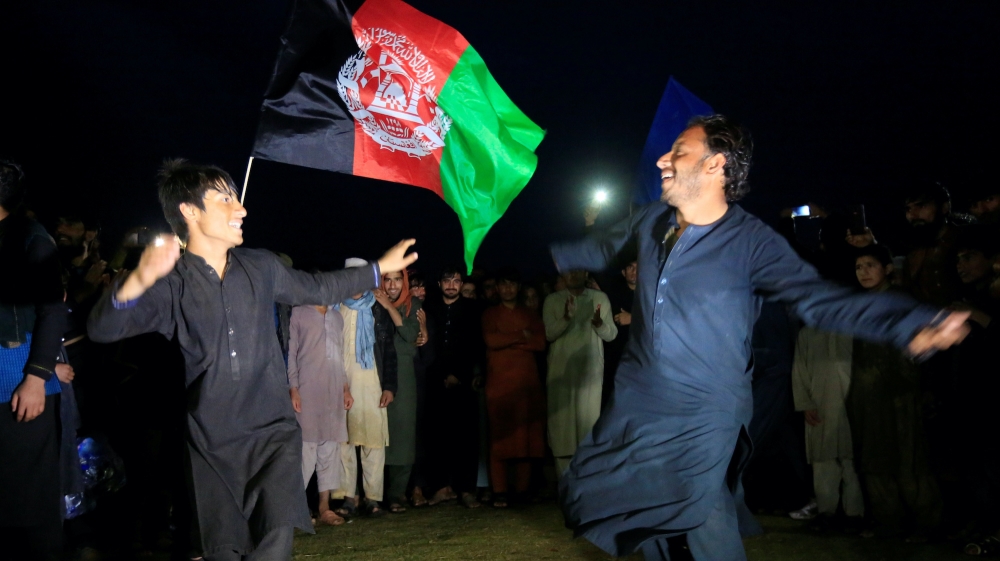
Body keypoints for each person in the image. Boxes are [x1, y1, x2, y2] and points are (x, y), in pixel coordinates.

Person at [549, 115, 970, 561]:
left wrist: (908, 322)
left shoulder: (751, 242)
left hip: (705, 406)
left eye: (679, 152)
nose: (662, 160)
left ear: (715, 164)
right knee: (643, 508)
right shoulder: (652, 218)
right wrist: (556, 252)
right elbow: (602, 246)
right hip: (641, 400)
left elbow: (817, 299)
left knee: (700, 509)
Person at [87, 160, 417, 561]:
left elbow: (319, 287)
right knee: (223, 549)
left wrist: (378, 269)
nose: (241, 209)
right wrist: (140, 277)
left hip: (273, 435)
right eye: (224, 198)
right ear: (189, 211)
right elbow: (102, 328)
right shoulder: (172, 283)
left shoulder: (261, 266)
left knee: (273, 544)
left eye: (237, 197)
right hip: (212, 445)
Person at [847, 245, 942, 539]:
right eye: (859, 266)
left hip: (900, 394)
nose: (863, 272)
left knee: (908, 460)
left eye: (870, 265)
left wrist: (917, 389)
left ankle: (927, 524)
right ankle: (889, 522)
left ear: (887, 268)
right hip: (869, 395)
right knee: (875, 460)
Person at [0, 159, 67, 561]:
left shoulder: (31, 238)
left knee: (29, 501)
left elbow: (53, 310)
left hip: (18, 384)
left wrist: (37, 377)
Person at [334, 258, 397, 519]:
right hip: (340, 383)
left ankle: (372, 498)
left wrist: (389, 387)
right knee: (343, 442)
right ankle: (349, 497)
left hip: (373, 383)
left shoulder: (377, 308)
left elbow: (389, 350)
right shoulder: (334, 307)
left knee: (373, 441)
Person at [481, 268, 546, 507]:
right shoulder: (490, 314)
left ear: (518, 288)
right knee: (500, 439)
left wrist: (507, 340)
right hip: (499, 385)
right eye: (504, 284)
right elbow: (491, 340)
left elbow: (539, 343)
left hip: (526, 385)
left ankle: (521, 491)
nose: (508, 289)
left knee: (525, 439)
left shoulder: (529, 314)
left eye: (512, 285)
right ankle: (500, 491)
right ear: (497, 288)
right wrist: (521, 336)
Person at [542, 269, 616, 475]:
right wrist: (566, 317)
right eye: (569, 271)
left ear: (585, 274)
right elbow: (549, 334)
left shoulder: (599, 298)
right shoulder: (553, 300)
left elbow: (611, 334)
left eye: (577, 271)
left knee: (588, 427)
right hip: (560, 374)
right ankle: (565, 484)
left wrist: (599, 324)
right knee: (561, 431)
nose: (573, 275)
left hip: (590, 376)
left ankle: (587, 483)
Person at [791, 326, 864, 530]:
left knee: (851, 459)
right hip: (819, 402)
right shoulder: (808, 333)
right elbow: (799, 368)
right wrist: (804, 403)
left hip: (852, 403)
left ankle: (855, 513)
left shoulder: (855, 329)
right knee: (823, 460)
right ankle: (826, 511)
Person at [423, 266, 484, 508]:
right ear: (439, 283)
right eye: (447, 280)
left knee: (465, 437)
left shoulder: (473, 309)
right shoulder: (430, 308)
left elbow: (475, 345)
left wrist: (459, 374)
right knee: (437, 436)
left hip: (464, 382)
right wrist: (442, 374)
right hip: (435, 380)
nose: (451, 285)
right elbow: (429, 345)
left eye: (456, 281)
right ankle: (441, 487)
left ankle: (466, 489)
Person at [287, 301, 352, 527]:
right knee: (306, 450)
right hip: (307, 389)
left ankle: (325, 507)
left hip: (333, 391)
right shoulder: (299, 313)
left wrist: (345, 388)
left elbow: (339, 356)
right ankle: (295, 509)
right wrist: (293, 388)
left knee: (330, 449)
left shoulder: (336, 317)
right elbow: (291, 352)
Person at [376, 268, 422, 513]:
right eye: (387, 279)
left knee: (402, 434)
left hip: (404, 375)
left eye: (397, 279)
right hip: (376, 371)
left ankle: (396, 494)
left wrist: (389, 306)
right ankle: (373, 494)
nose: (392, 285)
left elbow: (410, 333)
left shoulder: (412, 305)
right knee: (376, 434)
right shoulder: (372, 303)